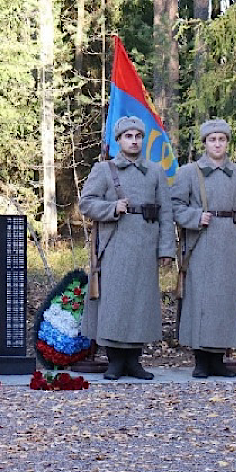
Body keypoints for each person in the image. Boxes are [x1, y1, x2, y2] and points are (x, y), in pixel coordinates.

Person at [80, 115, 176, 380]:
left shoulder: (155, 171)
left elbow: (166, 212)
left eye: (138, 136)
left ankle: (134, 361)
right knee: (115, 303)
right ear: (119, 140)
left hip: (146, 245)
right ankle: (114, 361)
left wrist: (166, 248)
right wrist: (112, 208)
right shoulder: (105, 170)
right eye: (128, 136)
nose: (134, 141)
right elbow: (86, 203)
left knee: (141, 304)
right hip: (115, 244)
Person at [171, 119, 236, 378]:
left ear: (227, 143)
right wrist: (195, 217)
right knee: (200, 300)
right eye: (212, 140)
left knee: (225, 302)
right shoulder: (189, 172)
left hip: (230, 243)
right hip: (201, 243)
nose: (217, 144)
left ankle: (218, 359)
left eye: (221, 139)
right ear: (205, 143)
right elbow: (174, 206)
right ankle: (201, 360)